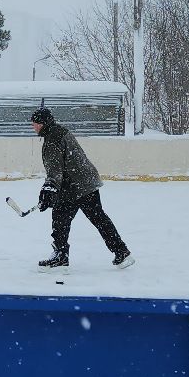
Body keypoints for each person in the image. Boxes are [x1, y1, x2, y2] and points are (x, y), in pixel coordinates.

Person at [31, 107, 132, 270]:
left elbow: (55, 169)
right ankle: (121, 251)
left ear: (43, 123)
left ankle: (60, 255)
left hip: (75, 185)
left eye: (35, 123)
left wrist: (49, 188)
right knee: (98, 218)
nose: (33, 127)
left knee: (60, 219)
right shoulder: (60, 131)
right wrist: (50, 190)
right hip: (86, 181)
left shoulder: (52, 140)